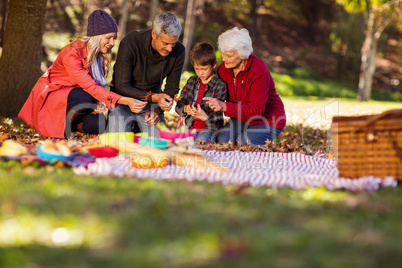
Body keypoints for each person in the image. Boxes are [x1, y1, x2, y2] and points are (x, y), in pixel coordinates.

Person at [18, 10, 144, 139]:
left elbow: (95, 86)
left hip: (78, 96)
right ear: (96, 36)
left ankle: (73, 125)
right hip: (54, 96)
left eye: (113, 38)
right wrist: (126, 100)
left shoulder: (97, 56)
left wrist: (99, 102)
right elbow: (91, 88)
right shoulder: (72, 54)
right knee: (83, 97)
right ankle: (60, 127)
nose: (112, 43)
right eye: (108, 37)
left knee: (99, 124)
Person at [204, 27, 286, 145]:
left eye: (229, 56)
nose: (224, 58)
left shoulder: (259, 70)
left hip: (268, 121)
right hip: (241, 117)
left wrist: (225, 106)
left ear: (242, 55)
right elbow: (213, 94)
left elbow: (257, 110)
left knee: (243, 142)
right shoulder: (223, 69)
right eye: (223, 53)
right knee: (222, 141)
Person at [107, 12, 185, 137]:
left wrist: (157, 109)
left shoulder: (179, 51)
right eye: (165, 43)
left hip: (150, 107)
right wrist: (155, 98)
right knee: (117, 142)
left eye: (173, 44)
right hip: (123, 102)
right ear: (154, 34)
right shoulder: (131, 43)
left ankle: (141, 127)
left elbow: (171, 88)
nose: (170, 49)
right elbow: (121, 86)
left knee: (159, 144)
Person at [175, 43, 227, 142]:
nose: (200, 73)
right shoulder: (192, 81)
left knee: (200, 142)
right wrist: (185, 109)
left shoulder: (220, 86)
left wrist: (205, 117)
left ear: (214, 64)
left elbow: (217, 118)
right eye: (197, 69)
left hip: (208, 128)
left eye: (204, 69)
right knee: (176, 141)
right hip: (188, 125)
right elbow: (180, 103)